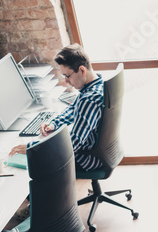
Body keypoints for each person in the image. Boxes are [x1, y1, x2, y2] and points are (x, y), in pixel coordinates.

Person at [10, 44, 104, 172]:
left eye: (67, 76)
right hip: (94, 152)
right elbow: (73, 109)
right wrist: (54, 124)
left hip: (85, 159)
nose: (66, 81)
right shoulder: (96, 85)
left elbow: (72, 145)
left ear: (82, 70)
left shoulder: (89, 99)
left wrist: (32, 147)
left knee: (30, 165)